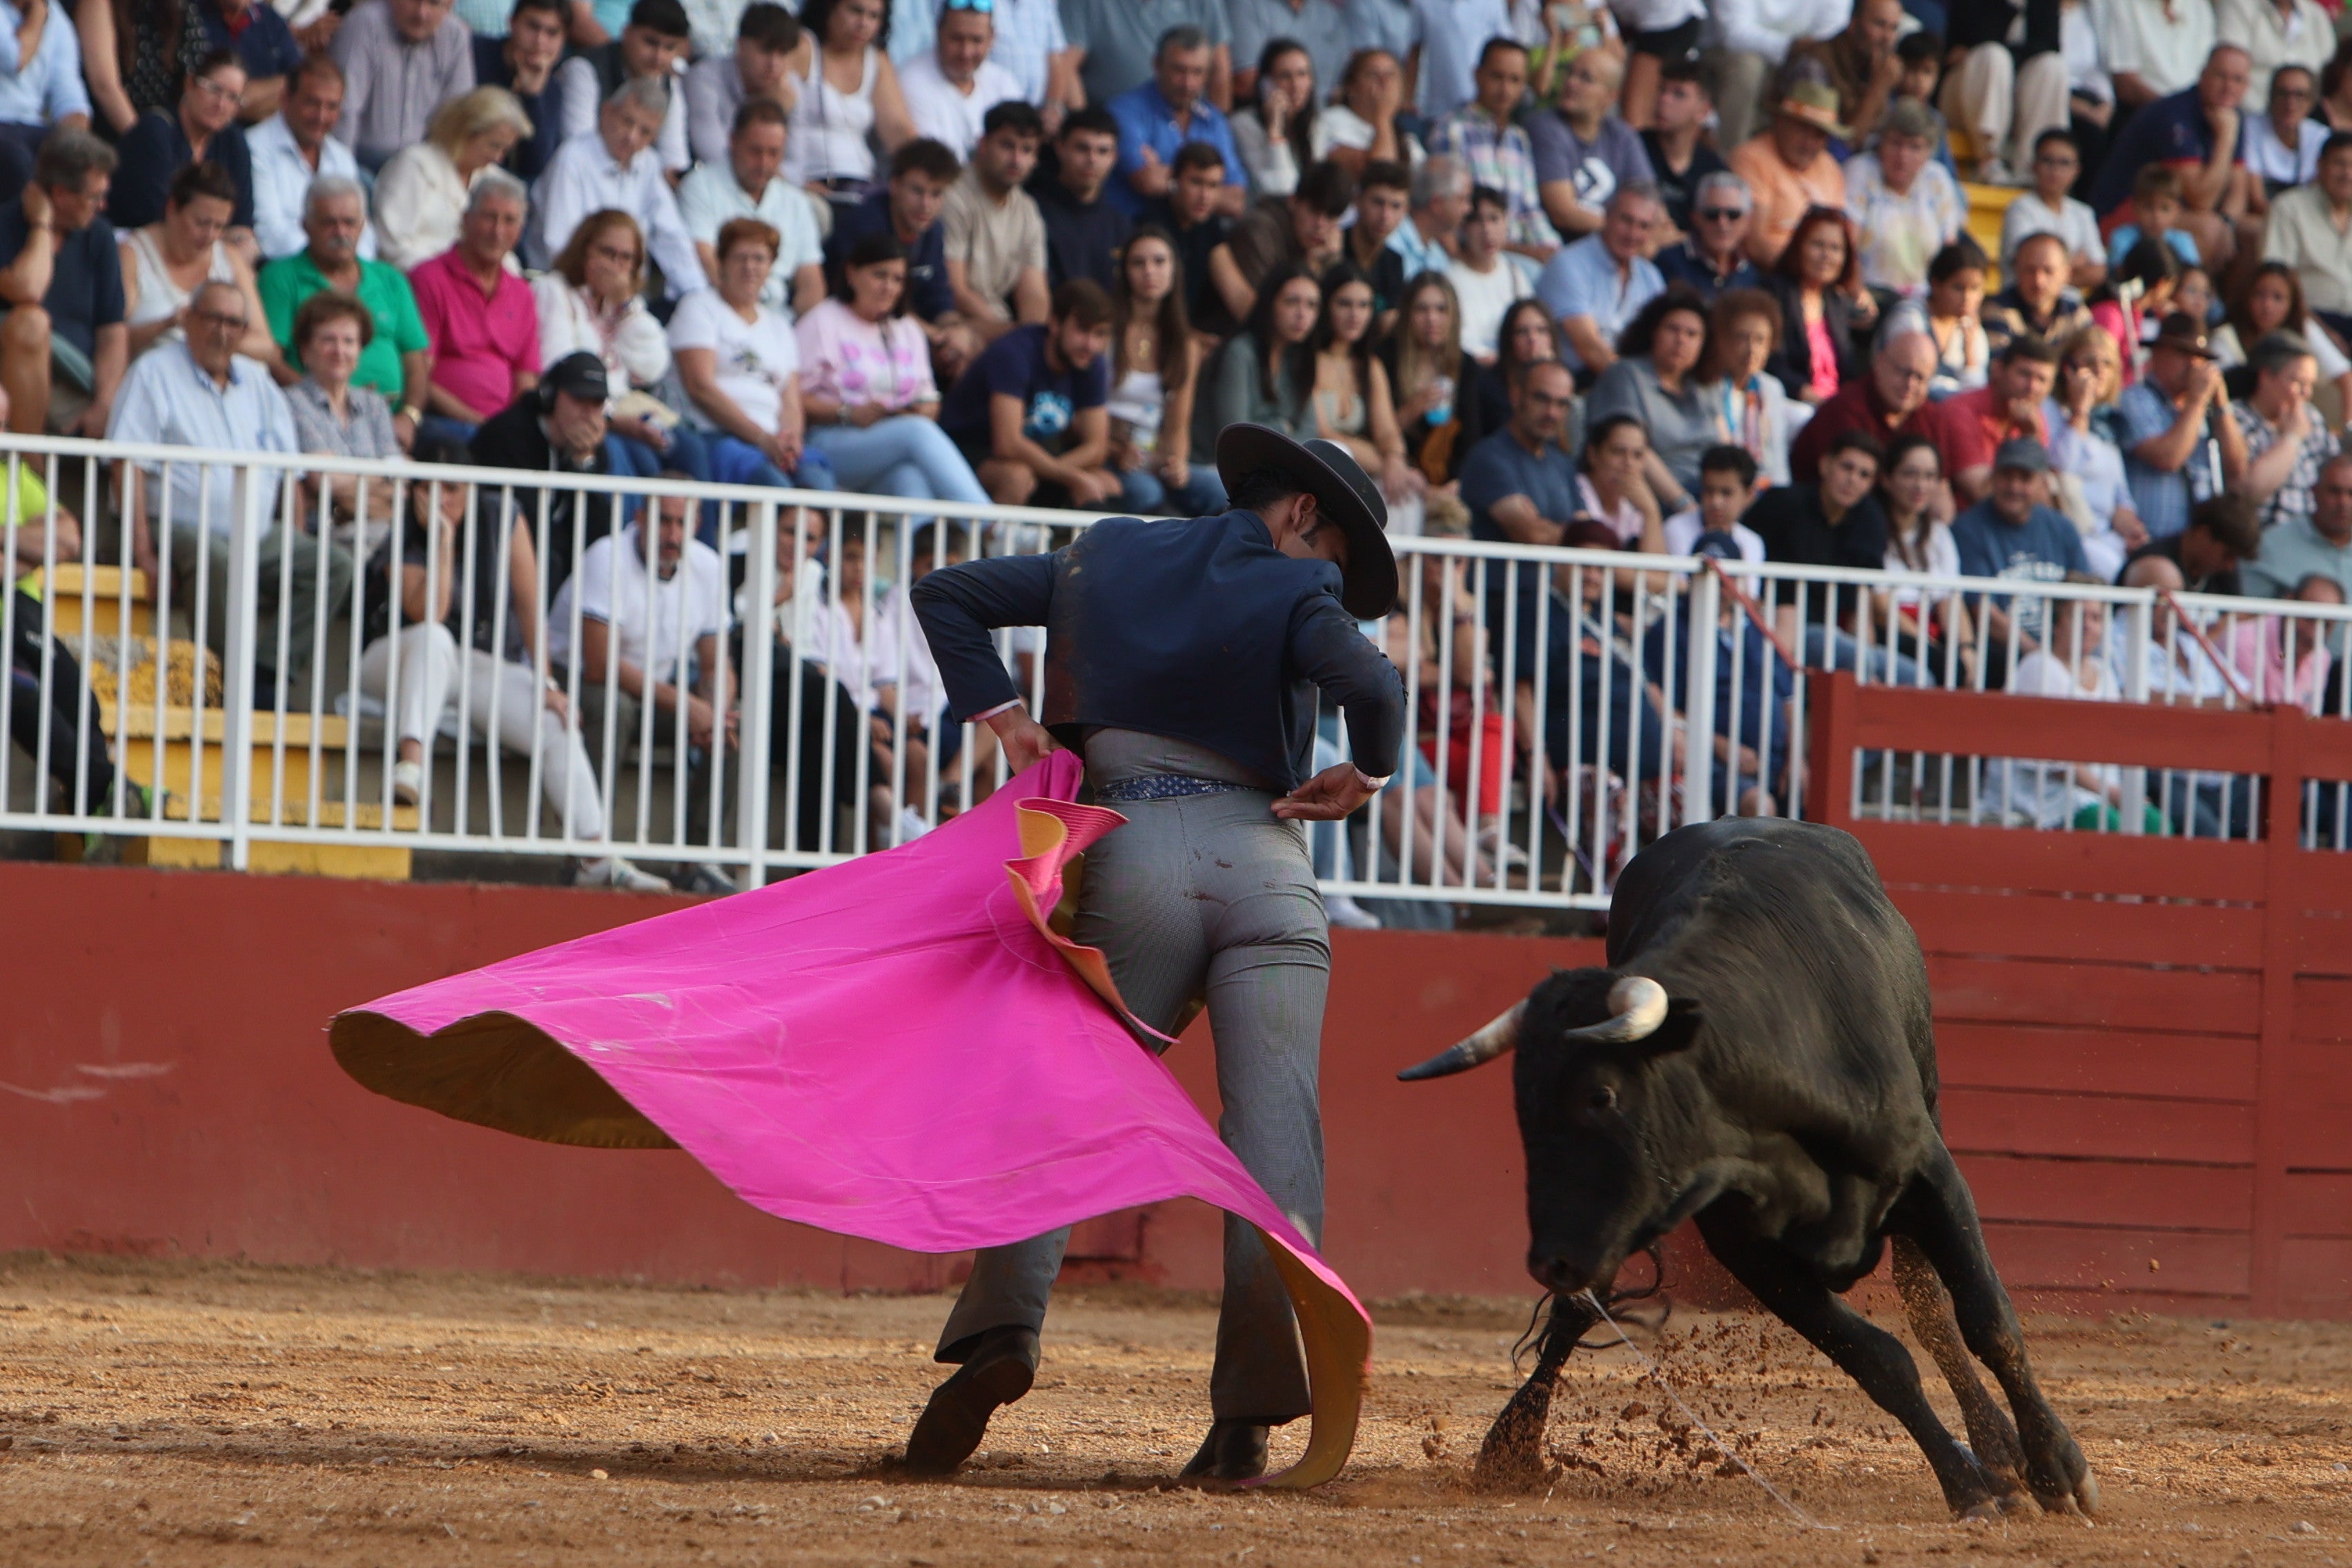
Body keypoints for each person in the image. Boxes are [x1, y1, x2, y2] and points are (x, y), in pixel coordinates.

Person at [903, 421, 1402, 1484]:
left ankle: (1000, 1334)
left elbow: (948, 594)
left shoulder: (1106, 554)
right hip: (1269, 868)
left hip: (1132, 859)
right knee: (1274, 1143)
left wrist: (1009, 720)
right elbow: (1376, 689)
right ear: (1301, 513)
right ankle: (1247, 1419)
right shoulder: (1297, 588)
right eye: (1332, 552)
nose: (1329, 573)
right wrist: (1368, 772)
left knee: (1064, 1097)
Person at [357, 433, 673, 890]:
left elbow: (530, 606)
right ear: (415, 491)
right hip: (393, 660)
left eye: (453, 489)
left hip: (469, 664)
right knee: (434, 637)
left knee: (554, 717)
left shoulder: (500, 514)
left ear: (471, 488)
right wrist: (443, 540)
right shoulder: (404, 531)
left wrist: (548, 682)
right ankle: (411, 767)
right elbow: (430, 612)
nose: (442, 500)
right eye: (431, 488)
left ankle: (595, 856)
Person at [107, 278, 353, 698]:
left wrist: (294, 539)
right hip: (173, 526)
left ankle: (268, 674)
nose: (222, 332)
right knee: (215, 557)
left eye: (234, 323)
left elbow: (290, 476)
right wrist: (143, 552)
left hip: (254, 533)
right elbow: (126, 464)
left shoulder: (260, 383)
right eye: (213, 319)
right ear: (189, 319)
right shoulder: (154, 372)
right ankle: (226, 682)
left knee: (333, 565)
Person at [545, 483, 737, 892]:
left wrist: (715, 712)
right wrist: (688, 705)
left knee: (735, 725)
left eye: (682, 523)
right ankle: (589, 857)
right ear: (640, 518)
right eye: (663, 521)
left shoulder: (708, 566)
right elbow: (599, 664)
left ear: (696, 525)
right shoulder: (607, 556)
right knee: (613, 706)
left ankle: (698, 861)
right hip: (573, 680)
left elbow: (716, 662)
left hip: (650, 690)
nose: (672, 534)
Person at [797, 231, 990, 504]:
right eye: (880, 275)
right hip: (829, 440)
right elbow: (792, 397)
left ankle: (923, 534)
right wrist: (848, 413)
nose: (889, 287)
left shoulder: (907, 329)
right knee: (916, 432)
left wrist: (924, 409)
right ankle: (990, 521)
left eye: (898, 279)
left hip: (890, 442)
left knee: (910, 479)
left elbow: (930, 399)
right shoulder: (821, 321)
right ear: (852, 273)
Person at [536, 206, 707, 483]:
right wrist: (615, 421)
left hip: (626, 407)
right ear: (584, 250)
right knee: (641, 459)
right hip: (582, 410)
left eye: (626, 258)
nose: (616, 266)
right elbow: (558, 367)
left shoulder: (624, 305)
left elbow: (651, 368)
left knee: (691, 450)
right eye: (608, 253)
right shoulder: (554, 290)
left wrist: (627, 306)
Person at [668, 216, 834, 492]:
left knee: (817, 481)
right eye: (739, 258)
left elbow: (791, 402)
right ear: (721, 262)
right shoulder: (699, 307)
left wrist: (789, 440)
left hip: (771, 442)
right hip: (716, 436)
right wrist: (761, 439)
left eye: (759, 259)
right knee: (773, 485)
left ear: (771, 266)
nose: (750, 267)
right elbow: (700, 387)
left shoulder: (779, 326)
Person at [258, 176, 428, 433]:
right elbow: (270, 359)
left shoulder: (391, 279)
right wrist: (335, 404)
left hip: (394, 423)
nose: (341, 232)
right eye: (329, 223)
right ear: (305, 225)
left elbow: (416, 361)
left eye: (349, 222)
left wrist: (410, 416)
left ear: (363, 225)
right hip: (315, 420)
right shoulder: (280, 277)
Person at [937, 277, 1117, 508]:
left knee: (1107, 483)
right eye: (1082, 330)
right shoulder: (1014, 353)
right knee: (1017, 478)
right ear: (1055, 324)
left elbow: (1097, 447)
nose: (1091, 344)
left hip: (1035, 457)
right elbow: (1008, 444)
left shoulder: (1090, 362)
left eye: (1100, 334)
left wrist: (1057, 471)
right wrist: (1067, 476)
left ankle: (1062, 533)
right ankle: (996, 533)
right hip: (966, 451)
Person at [2086, 44, 2257, 277]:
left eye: (2238, 80)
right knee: (2209, 229)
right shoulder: (2176, 114)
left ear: (2247, 86)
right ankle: (2184, 296)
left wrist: (2228, 222)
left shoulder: (2232, 115)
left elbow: (2239, 190)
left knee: (2254, 232)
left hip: (2175, 212)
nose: (2229, 87)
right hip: (2129, 212)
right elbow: (2201, 199)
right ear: (2203, 75)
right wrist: (2226, 139)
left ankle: (2218, 300)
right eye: (2221, 76)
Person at [529, 78, 708, 300]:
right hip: (566, 289)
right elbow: (559, 245)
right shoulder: (573, 159)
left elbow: (671, 237)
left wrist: (698, 295)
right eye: (627, 122)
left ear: (653, 138)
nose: (632, 137)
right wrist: (606, 293)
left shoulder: (648, 164)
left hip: (623, 297)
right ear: (607, 113)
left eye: (644, 132)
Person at [467, 349, 625, 598]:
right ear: (550, 396)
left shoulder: (593, 448)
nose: (588, 413)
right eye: (579, 399)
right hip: (497, 555)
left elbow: (596, 533)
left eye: (596, 403)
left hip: (553, 557)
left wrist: (583, 464)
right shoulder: (509, 433)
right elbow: (525, 521)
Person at [0, 132, 128, 440]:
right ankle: (30, 459)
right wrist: (42, 224)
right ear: (60, 194)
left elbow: (112, 331)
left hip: (77, 386)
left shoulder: (100, 237)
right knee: (31, 321)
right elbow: (29, 289)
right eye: (94, 197)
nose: (102, 205)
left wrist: (105, 403)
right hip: (10, 385)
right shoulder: (6, 225)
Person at [1745, 427, 1896, 673]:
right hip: (1774, 624)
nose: (1853, 479)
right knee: (1858, 659)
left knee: (1918, 675)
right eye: (1847, 468)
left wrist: (1866, 657)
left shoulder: (1871, 522)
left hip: (1832, 632)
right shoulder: (1783, 503)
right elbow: (1742, 545)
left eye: (1864, 475)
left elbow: (1861, 606)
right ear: (1825, 465)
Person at [411, 173, 540, 447]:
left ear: (520, 230)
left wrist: (510, 428)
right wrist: (482, 425)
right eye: (489, 217)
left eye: (509, 221)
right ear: (465, 220)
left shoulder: (522, 293)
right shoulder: (430, 279)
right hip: (444, 423)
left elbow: (526, 379)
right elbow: (420, 375)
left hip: (501, 429)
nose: (497, 231)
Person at [1104, 225, 1223, 514]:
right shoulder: (1106, 332)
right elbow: (1085, 411)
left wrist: (1177, 463)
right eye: (1138, 263)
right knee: (1147, 492)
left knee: (1219, 491)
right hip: (1110, 452)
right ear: (1124, 272)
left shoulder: (1186, 343)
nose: (1149, 271)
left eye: (1159, 262)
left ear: (1174, 270)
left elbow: (1179, 425)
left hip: (1154, 456)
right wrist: (1115, 450)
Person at [829, 137, 972, 376]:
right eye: (917, 191)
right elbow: (871, 298)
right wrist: (933, 334)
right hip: (854, 328)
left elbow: (938, 295)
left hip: (909, 331)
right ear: (894, 185)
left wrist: (953, 328)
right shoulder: (864, 224)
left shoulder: (934, 231)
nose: (926, 205)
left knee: (965, 351)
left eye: (936, 194)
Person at [119, 163, 279, 370]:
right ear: (172, 208)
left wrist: (212, 340)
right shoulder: (131, 255)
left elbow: (265, 346)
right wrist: (166, 325)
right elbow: (113, 341)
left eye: (220, 226)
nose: (210, 235)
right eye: (201, 223)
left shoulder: (229, 258)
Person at [678, 100, 824, 320]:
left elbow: (811, 284)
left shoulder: (796, 202)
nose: (764, 163)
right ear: (733, 141)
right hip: (717, 312)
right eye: (755, 151)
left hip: (780, 322)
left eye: (774, 153)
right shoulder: (699, 186)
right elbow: (707, 262)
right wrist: (749, 318)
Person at [283, 291, 400, 556]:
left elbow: (400, 483)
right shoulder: (292, 402)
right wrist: (380, 479)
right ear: (305, 351)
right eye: (328, 340)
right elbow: (323, 480)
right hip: (326, 535)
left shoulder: (374, 404)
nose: (340, 351)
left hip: (382, 530)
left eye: (349, 341)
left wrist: (350, 488)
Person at [1949, 437, 2088, 659]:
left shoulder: (2062, 528)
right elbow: (1982, 610)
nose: (2014, 487)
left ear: (2043, 483)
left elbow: (2085, 595)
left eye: (2025, 478)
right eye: (2006, 476)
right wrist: (2038, 655)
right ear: (1993, 478)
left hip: (2058, 653)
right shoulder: (1969, 529)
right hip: (2000, 656)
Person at [1306, 259, 1421, 525]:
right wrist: (1382, 463)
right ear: (1326, 305)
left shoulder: (1371, 366)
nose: (1355, 315)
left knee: (1404, 495)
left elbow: (1387, 430)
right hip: (1319, 467)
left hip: (1360, 472)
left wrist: (1395, 460)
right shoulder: (1308, 360)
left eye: (1364, 305)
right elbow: (1322, 432)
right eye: (1345, 304)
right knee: (1338, 451)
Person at [2118, 312, 2248, 540]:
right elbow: (2168, 458)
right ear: (2158, 353)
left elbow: (2237, 470)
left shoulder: (2202, 410)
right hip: (2148, 539)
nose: (2193, 365)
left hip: (2193, 544)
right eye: (2183, 353)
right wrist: (2197, 402)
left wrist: (2221, 406)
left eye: (2200, 357)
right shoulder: (2136, 399)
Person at [374, 86, 533, 273]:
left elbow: (502, 253)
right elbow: (392, 245)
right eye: (493, 146)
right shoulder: (415, 165)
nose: (498, 158)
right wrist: (444, 280)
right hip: (415, 279)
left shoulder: (494, 179)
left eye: (505, 150)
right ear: (466, 132)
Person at [108, 50, 256, 242]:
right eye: (214, 90)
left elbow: (242, 222)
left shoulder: (233, 142)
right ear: (189, 83)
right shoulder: (155, 132)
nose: (221, 104)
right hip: (138, 241)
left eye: (233, 98)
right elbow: (159, 217)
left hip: (205, 247)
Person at [1434, 37, 1563, 253]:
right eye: (1497, 77)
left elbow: (1530, 211)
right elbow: (1449, 218)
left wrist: (1554, 251)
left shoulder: (1518, 139)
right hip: (1475, 254)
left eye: (1515, 80)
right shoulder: (1453, 130)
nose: (1505, 89)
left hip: (1522, 256)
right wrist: (1529, 253)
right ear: (1477, 75)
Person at [1587, 284, 1709, 504]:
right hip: (1659, 497)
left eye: (1692, 334)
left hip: (1712, 495)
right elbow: (1636, 450)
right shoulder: (1625, 375)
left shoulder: (1705, 386)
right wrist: (1683, 504)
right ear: (1653, 331)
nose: (1681, 340)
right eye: (1673, 329)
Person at [941, 100, 1049, 347]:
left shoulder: (1028, 210)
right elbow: (955, 290)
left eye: (1027, 150)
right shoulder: (954, 196)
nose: (1016, 160)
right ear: (983, 144)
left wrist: (1032, 337)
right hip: (954, 320)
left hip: (1002, 325)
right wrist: (1016, 338)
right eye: (1007, 146)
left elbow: (1034, 292)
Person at [783, 0, 916, 197]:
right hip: (806, 182)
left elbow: (898, 130)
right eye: (856, 11)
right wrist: (794, 181)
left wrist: (925, 168)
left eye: (874, 16)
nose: (863, 23)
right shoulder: (803, 47)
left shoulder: (877, 60)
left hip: (862, 184)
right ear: (830, 7)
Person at [248, 55, 371, 266]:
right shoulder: (255, 148)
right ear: (286, 100)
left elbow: (364, 230)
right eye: (312, 103)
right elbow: (270, 234)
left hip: (342, 267)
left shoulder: (341, 157)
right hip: (285, 269)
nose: (321, 116)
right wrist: (331, 257)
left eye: (332, 107)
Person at [1110, 26, 1246, 219]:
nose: (1188, 83)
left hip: (1198, 233)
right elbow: (1147, 181)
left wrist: (1171, 180)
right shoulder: (1125, 112)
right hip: (1138, 229)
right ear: (1157, 65)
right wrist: (1212, 188)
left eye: (1197, 72)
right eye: (1179, 70)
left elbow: (1236, 201)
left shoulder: (1214, 120)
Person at [328, 0, 476, 174]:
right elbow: (345, 109)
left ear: (449, 6)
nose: (422, 13)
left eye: (434, 3)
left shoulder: (455, 36)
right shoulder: (364, 24)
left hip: (421, 164)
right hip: (362, 159)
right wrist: (343, 173)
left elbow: (457, 115)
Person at [552, 0, 692, 182]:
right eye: (651, 42)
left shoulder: (670, 85)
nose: (658, 57)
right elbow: (578, 152)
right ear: (627, 33)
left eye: (669, 48)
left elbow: (673, 162)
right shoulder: (585, 70)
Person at [1787, 326, 1948, 482]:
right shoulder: (1846, 409)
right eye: (1903, 372)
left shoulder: (1930, 418)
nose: (1910, 384)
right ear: (1879, 362)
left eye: (1920, 377)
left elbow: (1941, 482)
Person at [2045, 324, 2139, 580]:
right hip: (2073, 536)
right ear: (2068, 368)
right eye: (2089, 362)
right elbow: (2063, 467)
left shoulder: (2109, 422)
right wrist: (2080, 411)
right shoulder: (2051, 410)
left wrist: (2132, 527)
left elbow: (2121, 497)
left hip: (2108, 539)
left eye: (2107, 364)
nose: (2099, 371)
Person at [1878, 433, 1974, 683]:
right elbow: (1880, 606)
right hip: (1891, 630)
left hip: (1930, 630)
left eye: (1930, 476)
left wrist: (1967, 649)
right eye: (1910, 474)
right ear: (1887, 479)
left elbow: (1950, 600)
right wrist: (1930, 645)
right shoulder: (1872, 530)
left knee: (1994, 665)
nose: (1920, 485)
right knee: (1948, 668)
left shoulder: (1939, 534)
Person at [1843, 99, 1961, 301]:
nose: (1903, 156)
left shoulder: (1937, 180)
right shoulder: (1861, 171)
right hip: (1869, 292)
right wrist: (1857, 293)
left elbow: (1949, 250)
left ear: (1928, 153)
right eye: (1896, 144)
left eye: (1915, 147)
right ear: (1880, 143)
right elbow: (1848, 243)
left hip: (1924, 298)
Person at [1208, 155, 1349, 324]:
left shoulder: (1326, 248)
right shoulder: (1258, 232)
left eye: (1331, 216)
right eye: (1314, 211)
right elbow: (1268, 319)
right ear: (1293, 202)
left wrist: (1332, 263)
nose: (1320, 225)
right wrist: (1311, 267)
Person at [1939, 0, 2066, 186]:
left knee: (2052, 66)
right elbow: (1982, 39)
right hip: (1963, 96)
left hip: (2012, 99)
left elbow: (2049, 46)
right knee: (1994, 56)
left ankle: (2030, 167)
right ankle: (1988, 160)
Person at [1380, 271, 1487, 484]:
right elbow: (1375, 434)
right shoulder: (1386, 358)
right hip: (1398, 473)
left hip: (1450, 479)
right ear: (1407, 313)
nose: (1432, 319)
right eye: (1422, 309)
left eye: (1441, 309)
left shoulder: (1466, 365)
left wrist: (1457, 483)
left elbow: (1471, 437)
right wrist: (1413, 410)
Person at [1195, 261, 1316, 449]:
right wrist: (1283, 427)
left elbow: (1310, 431)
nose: (1302, 314)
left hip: (1279, 459)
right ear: (1270, 304)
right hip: (1217, 462)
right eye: (1292, 302)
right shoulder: (1240, 352)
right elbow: (1235, 433)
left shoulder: (1297, 358)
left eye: (1312, 305)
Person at [1728, 81, 1846, 270]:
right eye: (1802, 129)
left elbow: (1842, 238)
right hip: (1769, 276)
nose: (1809, 142)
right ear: (1780, 121)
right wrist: (1804, 275)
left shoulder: (1831, 168)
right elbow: (1755, 244)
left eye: (1819, 134)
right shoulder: (1751, 158)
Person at [1759, 203, 1866, 407]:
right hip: (1793, 404)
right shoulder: (1775, 294)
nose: (1826, 256)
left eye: (1835, 248)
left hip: (1834, 406)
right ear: (1799, 247)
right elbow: (1772, 362)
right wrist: (1808, 395)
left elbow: (1848, 369)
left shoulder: (1836, 301)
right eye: (1818, 245)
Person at [2217, 260, 2352, 422]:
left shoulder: (2305, 329)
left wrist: (2349, 427)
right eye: (2259, 295)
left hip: (2293, 421)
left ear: (2292, 303)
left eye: (2278, 298)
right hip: (2238, 421)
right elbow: (2218, 389)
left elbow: (2345, 377)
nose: (2267, 305)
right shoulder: (2227, 336)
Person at [2233, 330, 2341, 532]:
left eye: (2310, 385)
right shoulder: (2236, 419)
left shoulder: (2312, 418)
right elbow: (2248, 492)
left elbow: (2338, 476)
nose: (2306, 394)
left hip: (2311, 538)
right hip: (2261, 536)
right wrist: (2292, 438)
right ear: (2266, 377)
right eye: (2298, 382)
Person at [1935, 335, 2061, 504]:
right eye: (2024, 374)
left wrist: (2031, 437)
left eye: (2042, 380)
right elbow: (1980, 492)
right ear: (1998, 370)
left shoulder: (2033, 419)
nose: (2032, 387)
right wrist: (2030, 441)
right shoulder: (1962, 412)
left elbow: (2043, 499)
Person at [1028, 108, 1133, 299]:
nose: (1092, 160)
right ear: (1060, 148)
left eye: (1103, 151)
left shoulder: (1120, 225)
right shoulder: (1031, 211)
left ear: (1114, 158)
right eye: (1082, 148)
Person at [1060, 0, 1234, 115]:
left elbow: (1220, 69)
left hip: (1187, 124)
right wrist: (1086, 126)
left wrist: (1213, 128)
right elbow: (1067, 66)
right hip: (1110, 128)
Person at [897, 0, 1022, 159]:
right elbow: (933, 163)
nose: (966, 52)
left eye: (976, 40)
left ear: (992, 38)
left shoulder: (1004, 83)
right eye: (957, 39)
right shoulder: (911, 80)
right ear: (938, 31)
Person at [2260, 130, 2352, 342]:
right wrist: (2323, 333)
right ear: (2320, 166)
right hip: (2308, 321)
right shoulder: (2290, 208)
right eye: (2340, 164)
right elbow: (2276, 282)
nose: (2348, 174)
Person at [682, 1, 798, 167]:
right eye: (765, 51)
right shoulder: (703, 79)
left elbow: (796, 166)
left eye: (783, 53)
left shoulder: (788, 90)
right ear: (740, 45)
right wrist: (767, 111)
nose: (774, 64)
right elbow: (712, 153)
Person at [1139, 141, 1235, 336]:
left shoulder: (1210, 225)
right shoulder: (1151, 225)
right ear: (1174, 180)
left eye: (1213, 186)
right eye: (1196, 183)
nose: (1204, 196)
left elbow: (1234, 288)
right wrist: (1189, 337)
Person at [1704, 285, 1796, 485]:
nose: (1751, 349)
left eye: (1760, 340)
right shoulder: (1708, 385)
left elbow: (1778, 461)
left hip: (1765, 491)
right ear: (1722, 339)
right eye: (1741, 338)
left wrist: (1781, 497)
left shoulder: (1771, 388)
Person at [473, 0, 568, 182]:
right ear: (512, 23)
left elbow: (535, 166)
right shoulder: (475, 53)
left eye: (552, 33)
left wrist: (532, 96)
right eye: (533, 27)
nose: (540, 41)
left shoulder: (552, 89)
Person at [1999, 128, 2104, 290]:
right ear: (2034, 165)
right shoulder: (2020, 209)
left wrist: (2051, 272)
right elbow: (2026, 265)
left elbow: (2099, 272)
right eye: (2048, 161)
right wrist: (2073, 265)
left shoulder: (2083, 213)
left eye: (2064, 163)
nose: (2055, 170)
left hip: (2069, 303)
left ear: (2077, 171)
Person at [2242, 450, 2352, 602]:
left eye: (2351, 493)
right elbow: (2245, 611)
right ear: (2315, 492)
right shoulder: (2271, 546)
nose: (2343, 503)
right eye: (2334, 492)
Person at [1450, 184, 1539, 366]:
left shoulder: (1515, 273)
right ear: (1463, 227)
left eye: (1494, 219)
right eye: (1477, 221)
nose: (1487, 230)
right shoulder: (1450, 278)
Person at [1641, 58, 1728, 237]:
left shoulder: (1713, 170)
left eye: (1679, 94)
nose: (1664, 99)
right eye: (1662, 90)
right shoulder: (1633, 146)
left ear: (1703, 111)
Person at [2120, 489, 2260, 595]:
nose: (2230, 566)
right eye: (2227, 555)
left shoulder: (2222, 571)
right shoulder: (2153, 561)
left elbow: (2240, 614)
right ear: (2203, 534)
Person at [1979, 231, 2095, 357]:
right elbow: (1999, 366)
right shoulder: (1995, 310)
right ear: (2016, 269)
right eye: (2030, 270)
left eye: (2048, 271)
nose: (2039, 281)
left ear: (2067, 274)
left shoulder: (2077, 315)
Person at [1654, 170, 1762, 301]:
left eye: (1733, 215)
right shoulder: (1668, 263)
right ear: (1696, 218)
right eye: (1712, 214)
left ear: (1748, 221)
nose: (1722, 224)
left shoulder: (1751, 274)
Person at [1231, 37, 1315, 199]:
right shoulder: (1243, 125)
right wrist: (1275, 132)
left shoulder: (1316, 125)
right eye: (1285, 76)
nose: (1296, 85)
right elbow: (1283, 190)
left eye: (1302, 74)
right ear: (1266, 84)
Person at [1316, 47, 1420, 177]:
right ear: (1351, 88)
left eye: (1391, 75)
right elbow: (1379, 173)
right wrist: (1383, 117)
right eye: (1373, 75)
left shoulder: (1408, 140)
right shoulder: (1331, 121)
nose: (1384, 82)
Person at [1908, 239, 1990, 400]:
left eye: (1975, 289)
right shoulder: (1911, 318)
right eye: (1958, 288)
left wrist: (1969, 352)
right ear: (1936, 285)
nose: (1967, 298)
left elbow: (1977, 394)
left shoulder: (1972, 330)